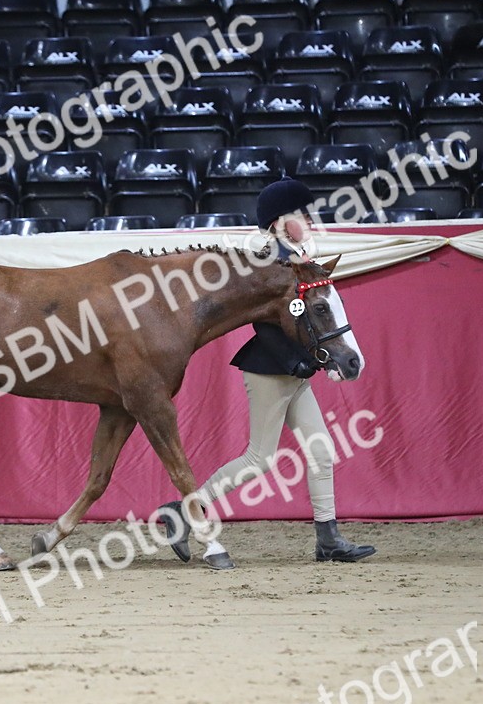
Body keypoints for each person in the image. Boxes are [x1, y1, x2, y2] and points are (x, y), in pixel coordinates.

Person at [160, 178, 376, 565]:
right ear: (278, 222)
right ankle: (185, 511)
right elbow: (263, 325)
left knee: (321, 452)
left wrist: (311, 361)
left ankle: (328, 539)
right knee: (258, 458)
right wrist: (300, 362)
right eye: (300, 214)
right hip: (270, 370)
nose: (308, 219)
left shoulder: (298, 257)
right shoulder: (270, 260)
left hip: (295, 371)